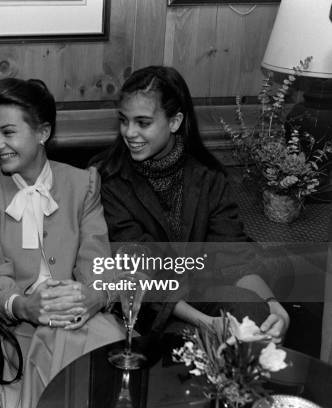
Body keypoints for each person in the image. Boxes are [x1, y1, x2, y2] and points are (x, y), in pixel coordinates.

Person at [92, 65, 290, 342]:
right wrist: (205, 322)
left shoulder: (209, 178)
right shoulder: (108, 180)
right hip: (144, 309)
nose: (129, 132)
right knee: (199, 336)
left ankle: (237, 382)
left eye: (143, 122)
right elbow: (135, 272)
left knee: (252, 311)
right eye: (124, 120)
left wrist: (273, 305)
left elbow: (233, 257)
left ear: (174, 122)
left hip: (201, 293)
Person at [0, 78, 124, 408]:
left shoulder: (83, 184)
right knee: (56, 342)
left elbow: (96, 257)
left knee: (110, 342)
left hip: (81, 316)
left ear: (43, 132)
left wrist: (94, 297)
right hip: (19, 327)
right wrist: (24, 305)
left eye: (8, 132)